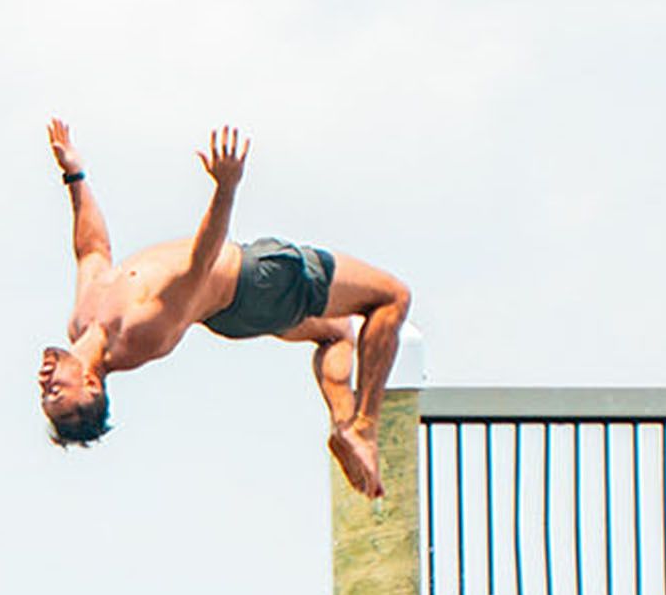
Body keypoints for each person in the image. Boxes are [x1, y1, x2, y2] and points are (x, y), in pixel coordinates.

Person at [36, 118, 412, 497]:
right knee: (392, 298)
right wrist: (226, 188)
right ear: (89, 382)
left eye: (45, 393)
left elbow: (93, 250)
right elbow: (201, 262)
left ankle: (342, 422)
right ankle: (362, 426)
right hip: (258, 283)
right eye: (55, 392)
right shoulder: (136, 332)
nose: (44, 382)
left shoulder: (82, 322)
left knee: (336, 333)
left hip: (232, 311)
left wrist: (75, 175)